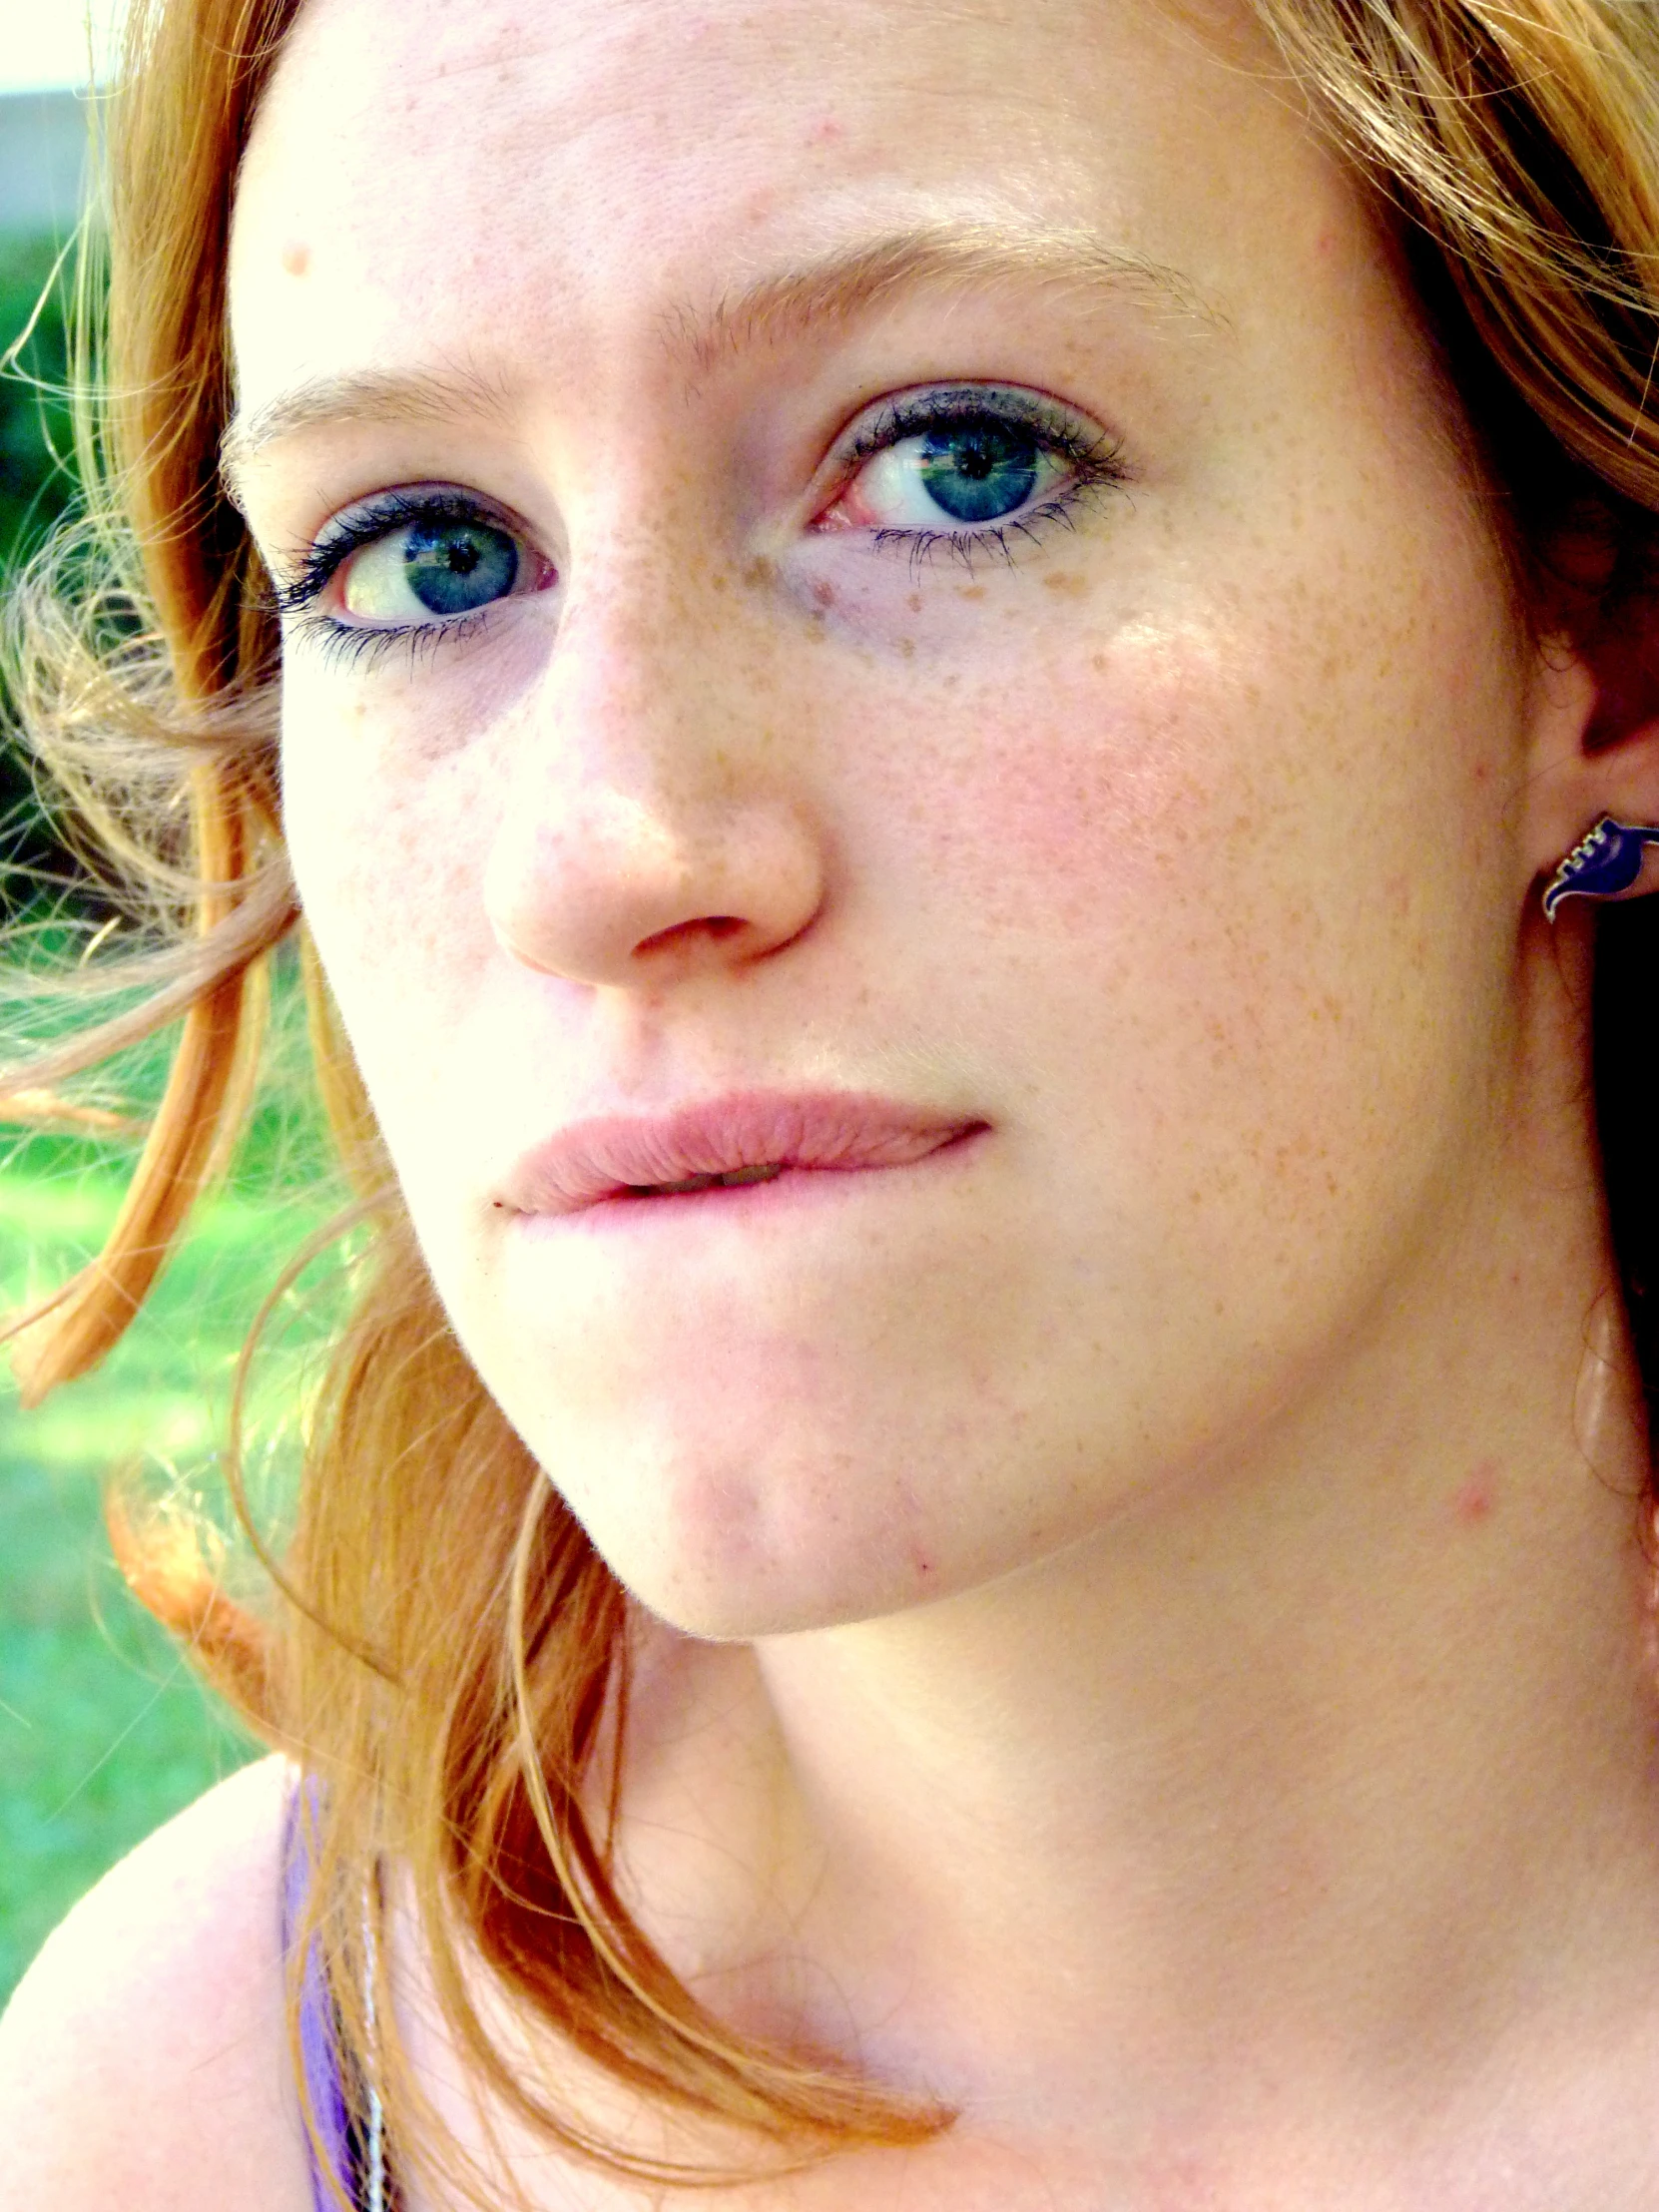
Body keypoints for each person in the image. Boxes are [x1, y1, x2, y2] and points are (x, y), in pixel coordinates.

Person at [7, 0, 1659, 2200]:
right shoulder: (188, 2115)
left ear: (1608, 627)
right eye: (422, 553)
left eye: (964, 461)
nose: (601, 853)